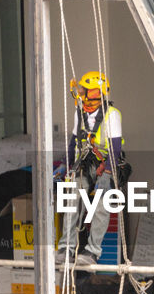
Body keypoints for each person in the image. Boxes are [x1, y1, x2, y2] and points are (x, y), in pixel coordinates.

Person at [55, 70, 130, 266]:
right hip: (86, 164)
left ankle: (92, 251)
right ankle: (67, 248)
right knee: (72, 197)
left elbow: (114, 147)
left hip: (107, 164)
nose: (80, 92)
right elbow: (73, 142)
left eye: (85, 89)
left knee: (101, 204)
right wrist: (67, 166)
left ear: (95, 92)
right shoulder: (79, 113)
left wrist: (106, 171)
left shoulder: (112, 115)